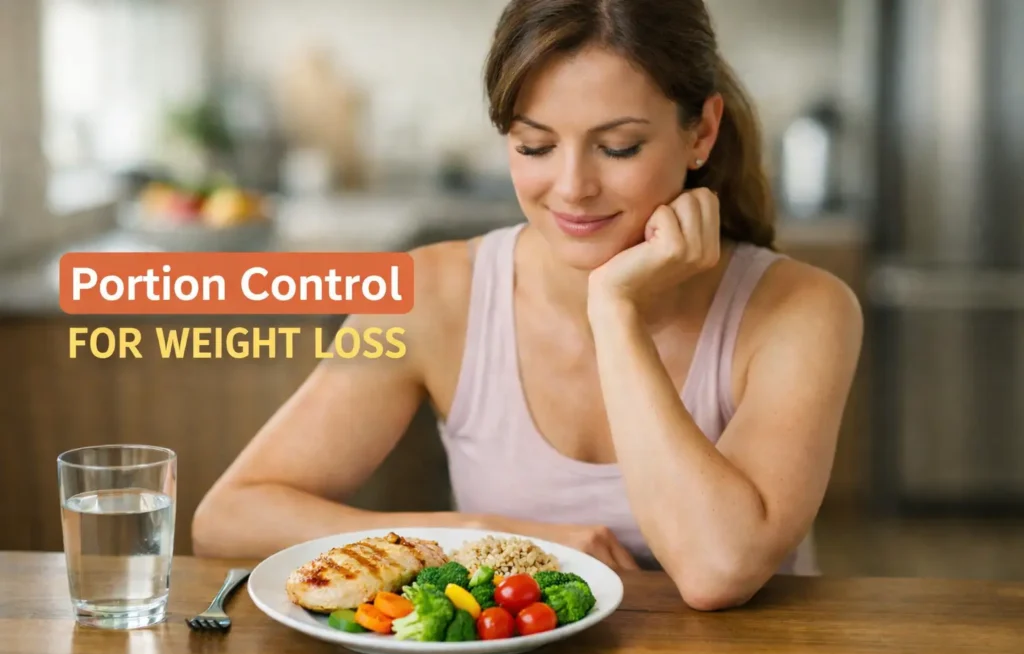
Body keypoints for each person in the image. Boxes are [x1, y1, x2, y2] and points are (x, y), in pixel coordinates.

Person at [192, 0, 863, 611]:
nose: (572, 186)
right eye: (534, 145)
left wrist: (614, 311)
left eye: (619, 146)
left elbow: (718, 568)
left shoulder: (802, 310)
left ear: (701, 133)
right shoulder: (433, 295)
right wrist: (484, 535)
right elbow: (228, 517)